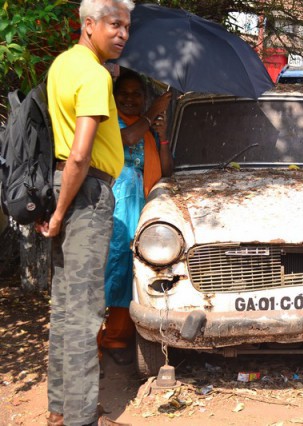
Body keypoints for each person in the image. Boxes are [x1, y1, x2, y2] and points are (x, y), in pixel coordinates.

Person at [39, 1, 134, 425]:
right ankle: (80, 418)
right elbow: (80, 154)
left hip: (63, 186)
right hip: (85, 193)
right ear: (89, 24)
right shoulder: (94, 75)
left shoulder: (63, 64)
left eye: (127, 27)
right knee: (84, 314)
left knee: (64, 307)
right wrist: (61, 214)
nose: (122, 34)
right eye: (115, 24)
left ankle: (60, 410)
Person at [98, 70, 172, 366]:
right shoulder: (108, 124)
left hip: (145, 208)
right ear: (114, 98)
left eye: (136, 94)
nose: (130, 99)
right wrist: (151, 114)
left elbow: (167, 171)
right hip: (117, 208)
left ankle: (119, 339)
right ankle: (99, 344)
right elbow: (126, 140)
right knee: (111, 270)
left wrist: (162, 136)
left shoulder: (150, 128)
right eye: (123, 94)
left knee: (133, 271)